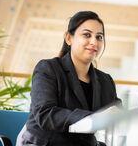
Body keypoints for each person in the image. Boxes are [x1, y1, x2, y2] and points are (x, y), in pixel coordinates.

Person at [20, 11, 121, 146]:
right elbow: (45, 114)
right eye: (87, 35)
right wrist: (92, 118)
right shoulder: (48, 69)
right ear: (69, 38)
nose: (94, 42)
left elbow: (116, 112)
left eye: (99, 37)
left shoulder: (105, 80)